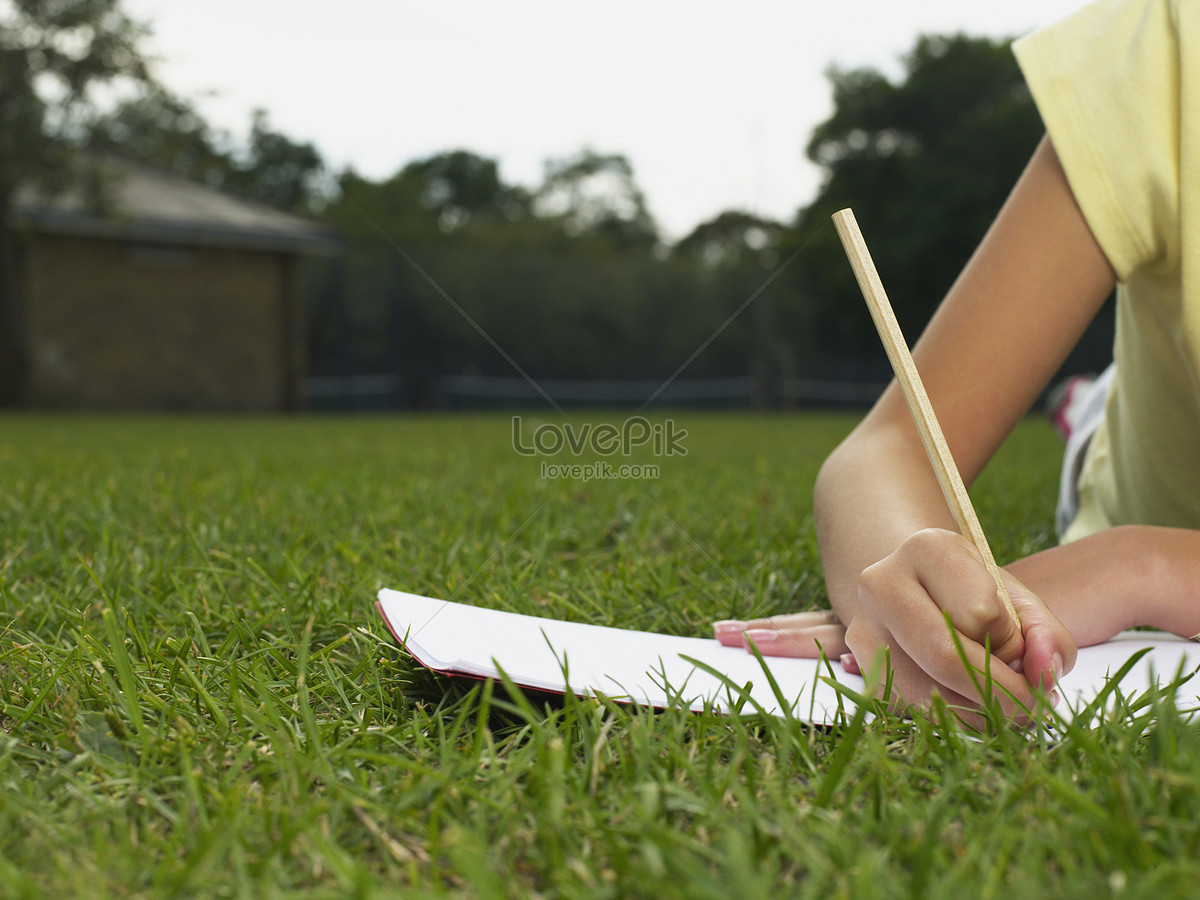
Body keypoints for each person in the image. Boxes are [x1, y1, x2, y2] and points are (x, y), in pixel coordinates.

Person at [714, 0, 1200, 719]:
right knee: (1098, 417)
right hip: (1137, 447)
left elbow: (1147, 567)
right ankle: (1083, 406)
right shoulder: (1169, 49)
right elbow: (891, 448)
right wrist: (914, 580)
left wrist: (1144, 564)